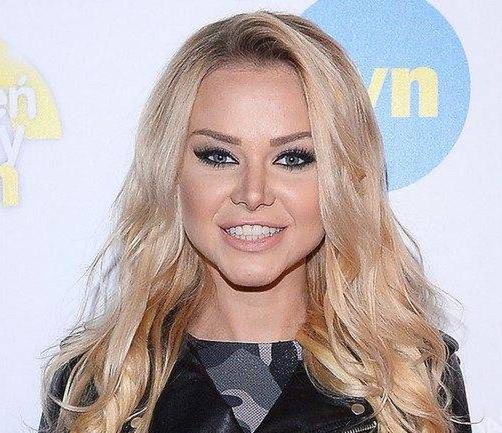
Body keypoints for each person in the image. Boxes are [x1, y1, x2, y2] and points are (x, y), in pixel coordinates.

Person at [38, 9, 474, 433]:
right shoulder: (97, 389)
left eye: (292, 158)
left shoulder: (413, 381)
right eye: (219, 156)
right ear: (170, 170)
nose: (253, 193)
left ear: (345, 177)